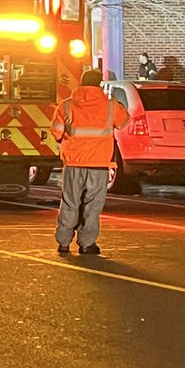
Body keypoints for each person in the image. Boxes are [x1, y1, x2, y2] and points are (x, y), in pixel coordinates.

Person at [51, 69, 130, 255]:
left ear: (81, 83)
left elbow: (56, 132)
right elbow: (124, 121)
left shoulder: (66, 105)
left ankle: (63, 242)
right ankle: (86, 244)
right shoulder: (111, 105)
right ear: (99, 84)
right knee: (92, 206)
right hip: (98, 165)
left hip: (73, 164)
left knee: (70, 203)